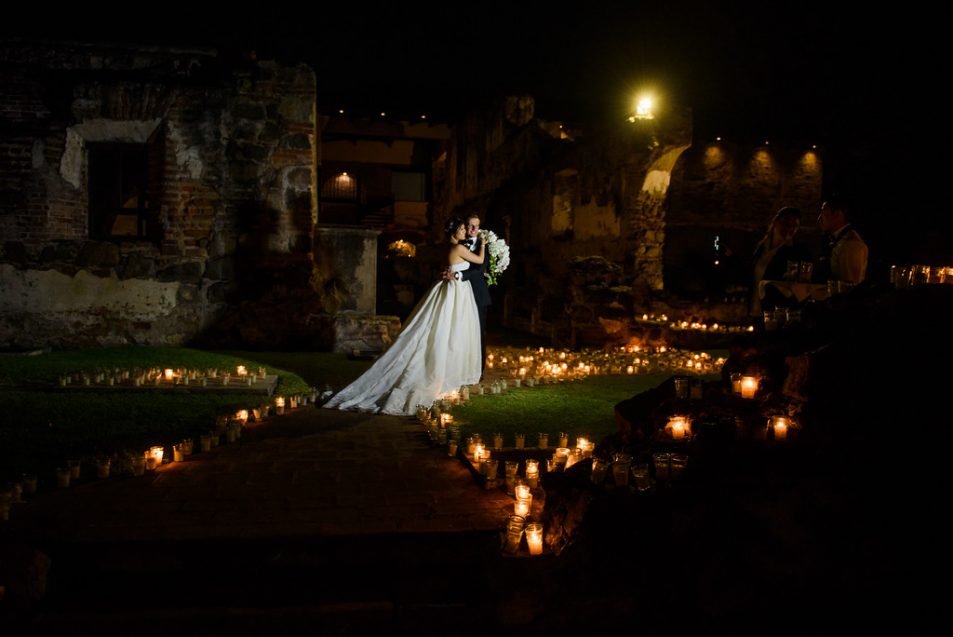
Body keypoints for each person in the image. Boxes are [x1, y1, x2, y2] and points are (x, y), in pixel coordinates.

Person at [324, 218, 485, 415]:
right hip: (456, 292)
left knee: (438, 327)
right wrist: (484, 244)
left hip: (449, 289)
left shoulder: (446, 248)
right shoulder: (458, 249)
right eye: (461, 229)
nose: (464, 232)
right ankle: (442, 372)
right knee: (450, 329)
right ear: (453, 232)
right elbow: (480, 261)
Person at [750, 206, 807, 316]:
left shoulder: (798, 252)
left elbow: (800, 285)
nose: (790, 228)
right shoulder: (762, 248)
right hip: (756, 310)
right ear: (775, 222)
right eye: (785, 223)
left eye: (794, 226)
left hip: (777, 313)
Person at [455, 213, 492, 379]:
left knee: (478, 334)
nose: (472, 229)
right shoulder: (459, 242)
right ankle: (461, 368)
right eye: (469, 225)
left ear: (479, 227)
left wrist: (459, 275)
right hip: (459, 295)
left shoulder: (485, 246)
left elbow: (478, 270)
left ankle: (479, 371)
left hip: (477, 294)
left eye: (476, 226)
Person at [816, 195, 868, 285]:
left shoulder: (851, 244)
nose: (819, 218)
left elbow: (850, 286)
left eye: (824, 213)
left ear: (838, 215)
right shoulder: (838, 240)